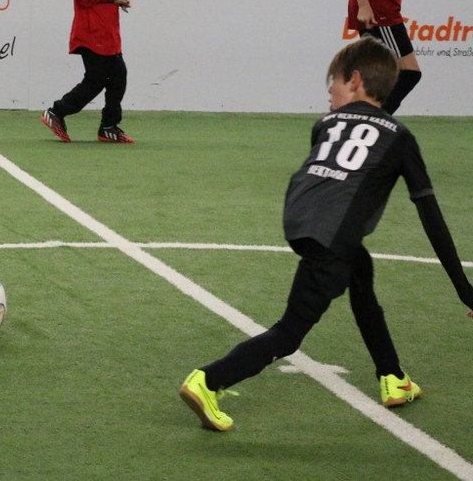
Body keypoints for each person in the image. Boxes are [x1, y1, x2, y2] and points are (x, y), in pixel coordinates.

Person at [179, 37, 473, 432]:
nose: (328, 91)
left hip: (302, 222)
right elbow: (431, 216)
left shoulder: (326, 124)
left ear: (355, 81)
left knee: (360, 272)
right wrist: (464, 290)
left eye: (332, 81)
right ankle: (208, 380)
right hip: (333, 237)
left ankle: (393, 377)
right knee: (289, 333)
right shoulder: (400, 137)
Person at [40, 0, 135, 145]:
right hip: (93, 33)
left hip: (106, 33)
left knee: (118, 76)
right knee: (95, 81)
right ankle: (57, 112)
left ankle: (109, 126)